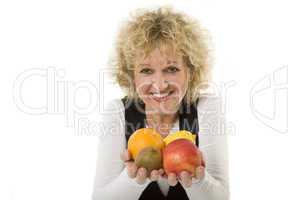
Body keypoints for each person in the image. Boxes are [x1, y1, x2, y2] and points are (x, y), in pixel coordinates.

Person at [92, 7, 229, 200]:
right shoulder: (117, 112)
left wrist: (198, 180)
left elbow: (221, 197)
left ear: (190, 71)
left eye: (171, 69)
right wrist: (134, 180)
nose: (159, 84)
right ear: (132, 75)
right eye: (146, 71)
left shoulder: (207, 107)